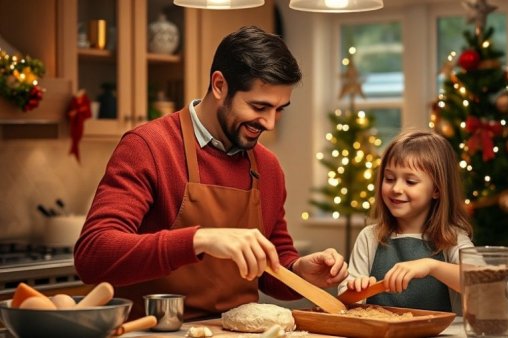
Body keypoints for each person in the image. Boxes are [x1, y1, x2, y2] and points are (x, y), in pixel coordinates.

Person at [74, 26, 348, 320]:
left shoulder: (267, 167)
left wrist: (299, 271)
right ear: (219, 85)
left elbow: (272, 264)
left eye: (280, 109)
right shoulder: (148, 147)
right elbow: (93, 255)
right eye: (259, 106)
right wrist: (199, 240)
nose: (270, 123)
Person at [338, 130, 474, 313]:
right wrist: (355, 289)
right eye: (389, 179)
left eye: (410, 181)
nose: (396, 188)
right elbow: (344, 301)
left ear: (437, 189)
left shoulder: (452, 238)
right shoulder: (369, 237)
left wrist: (431, 266)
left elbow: (482, 281)